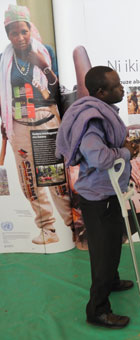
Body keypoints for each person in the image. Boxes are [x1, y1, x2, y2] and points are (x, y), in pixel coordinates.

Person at [56, 66, 139, 328]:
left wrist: (123, 149)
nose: (122, 89)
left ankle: (111, 281)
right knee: (104, 255)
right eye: (116, 86)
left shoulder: (99, 112)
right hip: (99, 195)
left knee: (112, 245)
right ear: (101, 92)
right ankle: (97, 310)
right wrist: (124, 152)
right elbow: (100, 158)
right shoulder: (92, 121)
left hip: (108, 191)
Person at [0, 4, 72, 244]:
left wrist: (43, 66)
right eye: (13, 33)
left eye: (23, 31)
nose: (19, 37)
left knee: (53, 175)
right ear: (7, 34)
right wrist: (4, 118)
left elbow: (58, 91)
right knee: (28, 177)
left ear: (30, 29)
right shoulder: (3, 60)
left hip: (47, 121)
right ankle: (47, 229)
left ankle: (73, 225)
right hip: (18, 125)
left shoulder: (46, 51)